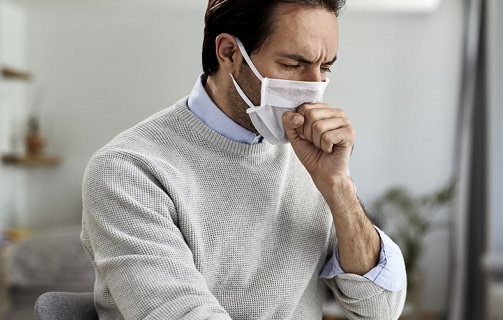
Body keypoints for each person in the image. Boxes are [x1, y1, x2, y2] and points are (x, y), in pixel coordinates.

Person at [80, 0, 406, 318]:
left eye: (325, 68)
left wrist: (339, 187)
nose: (313, 89)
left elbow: (379, 310)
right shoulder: (128, 169)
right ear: (229, 53)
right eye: (293, 65)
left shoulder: (310, 159)